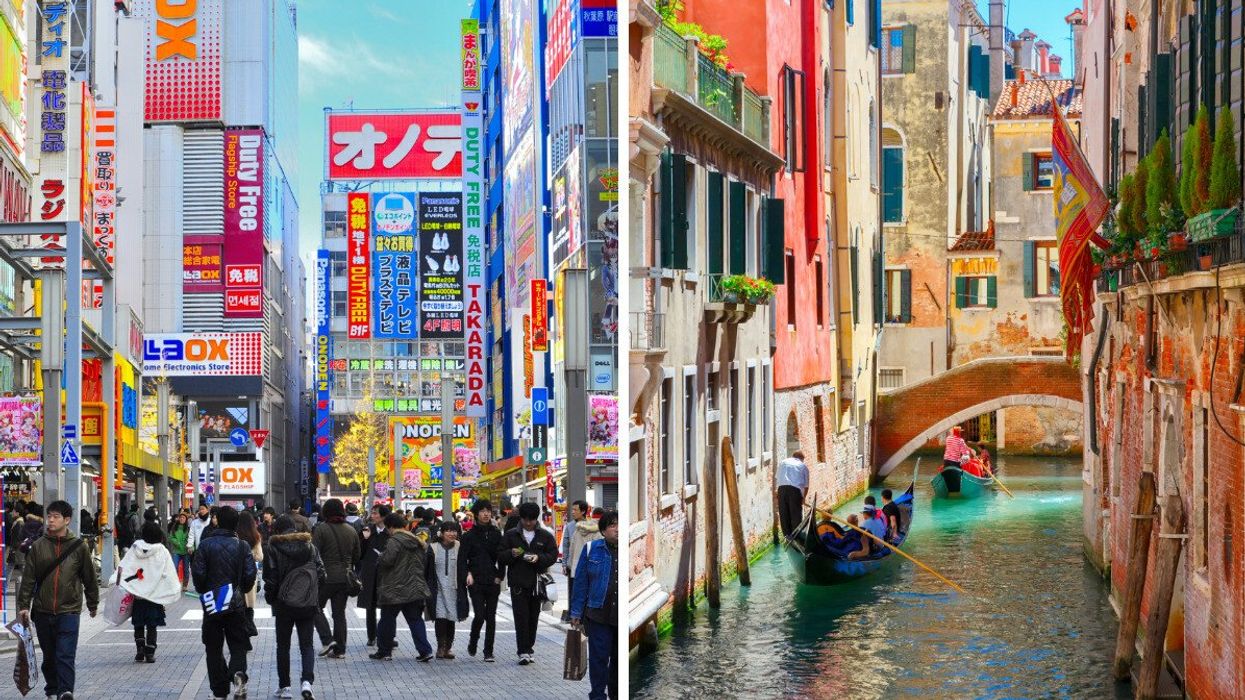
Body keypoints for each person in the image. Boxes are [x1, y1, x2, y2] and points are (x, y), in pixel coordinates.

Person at [17, 500, 99, 700]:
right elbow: (28, 578)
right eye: (49, 516)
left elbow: (89, 577)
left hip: (69, 611)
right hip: (43, 611)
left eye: (55, 517)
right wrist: (23, 606)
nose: (50, 520)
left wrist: (93, 603)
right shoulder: (38, 546)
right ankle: (52, 689)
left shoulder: (79, 547)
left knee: (65, 655)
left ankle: (65, 692)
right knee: (50, 657)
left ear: (67, 520)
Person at [191, 506, 258, 700]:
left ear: (217, 520)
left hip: (212, 604)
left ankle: (219, 692)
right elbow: (249, 574)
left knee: (213, 647)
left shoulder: (205, 545)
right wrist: (241, 590)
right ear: (236, 524)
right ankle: (238, 673)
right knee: (238, 644)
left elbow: (198, 573)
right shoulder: (242, 546)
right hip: (235, 604)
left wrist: (204, 591)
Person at [263, 515, 326, 700]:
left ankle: (285, 687)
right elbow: (322, 574)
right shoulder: (310, 546)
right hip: (307, 603)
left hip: (283, 605)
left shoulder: (273, 548)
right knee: (307, 645)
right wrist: (312, 594)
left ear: (277, 530)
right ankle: (307, 682)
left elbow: (270, 579)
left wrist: (271, 598)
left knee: (283, 646)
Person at [498, 501, 558, 666]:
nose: (528, 523)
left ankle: (529, 647)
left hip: (537, 583)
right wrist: (512, 553)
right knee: (520, 617)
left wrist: (539, 559)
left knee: (533, 617)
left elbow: (553, 555)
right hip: (518, 582)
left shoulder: (545, 535)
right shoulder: (511, 535)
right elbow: (501, 555)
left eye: (531, 520)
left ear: (536, 519)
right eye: (525, 519)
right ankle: (523, 651)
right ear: (521, 518)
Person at [370, 512, 435, 662]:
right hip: (414, 587)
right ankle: (425, 651)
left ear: (391, 527)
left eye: (388, 528)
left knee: (387, 619)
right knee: (415, 620)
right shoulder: (417, 541)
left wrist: (380, 557)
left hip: (395, 588)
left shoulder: (395, 541)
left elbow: (388, 561)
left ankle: (384, 651)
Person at [570, 510, 619, 700]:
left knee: (617, 661)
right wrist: (576, 612)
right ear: (604, 530)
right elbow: (581, 583)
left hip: (620, 615)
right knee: (599, 659)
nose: (617, 529)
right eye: (612, 525)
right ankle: (597, 695)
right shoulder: (592, 549)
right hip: (597, 614)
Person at [119, 522, 181, 664]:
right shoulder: (162, 551)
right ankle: (150, 652)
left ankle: (140, 649)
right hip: (155, 596)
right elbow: (168, 573)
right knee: (152, 625)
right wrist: (170, 591)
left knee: (138, 623)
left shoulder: (134, 549)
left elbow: (125, 567)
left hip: (138, 595)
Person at [311, 498, 359, 659]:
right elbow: (357, 555)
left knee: (315, 607)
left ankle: (327, 639)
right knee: (339, 614)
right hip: (345, 578)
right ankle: (340, 650)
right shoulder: (351, 530)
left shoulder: (321, 529)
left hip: (326, 578)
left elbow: (314, 553)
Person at [460, 499, 504, 662]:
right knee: (479, 615)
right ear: (476, 514)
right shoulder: (469, 536)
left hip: (493, 580)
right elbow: (462, 559)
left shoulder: (495, 533)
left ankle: (488, 651)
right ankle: (473, 639)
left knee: (491, 617)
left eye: (488, 511)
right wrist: (467, 574)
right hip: (476, 580)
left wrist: (500, 575)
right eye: (482, 511)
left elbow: (502, 556)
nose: (486, 514)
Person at [429, 520, 468, 659]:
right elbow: (427, 569)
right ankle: (441, 646)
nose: (452, 534)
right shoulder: (433, 547)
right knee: (440, 618)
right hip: (438, 589)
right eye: (448, 531)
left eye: (454, 531)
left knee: (451, 618)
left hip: (454, 588)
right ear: (442, 532)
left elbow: (465, 565)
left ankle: (448, 647)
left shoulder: (459, 546)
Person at [358, 504, 392, 647]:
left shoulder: (391, 532)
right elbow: (360, 552)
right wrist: (363, 539)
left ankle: (389, 637)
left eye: (375, 513)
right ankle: (371, 636)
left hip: (387, 573)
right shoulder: (367, 531)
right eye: (372, 513)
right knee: (370, 605)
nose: (372, 516)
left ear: (383, 516)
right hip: (370, 572)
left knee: (388, 606)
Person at [561, 500, 590, 622]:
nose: (572, 512)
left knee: (587, 592)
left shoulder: (592, 526)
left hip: (588, 566)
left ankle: (585, 618)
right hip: (573, 566)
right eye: (572, 510)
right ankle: (575, 618)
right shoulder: (569, 526)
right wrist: (564, 563)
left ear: (583, 511)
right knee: (574, 593)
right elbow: (566, 545)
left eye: (575, 510)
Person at [237, 510, 264, 633]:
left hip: (236, 571)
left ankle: (243, 631)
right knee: (249, 603)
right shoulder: (256, 536)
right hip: (250, 571)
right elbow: (260, 557)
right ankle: (249, 627)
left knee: (238, 603)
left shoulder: (235, 535)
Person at [776, 450, 809, 537]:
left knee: (784, 514)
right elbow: (806, 486)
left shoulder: (783, 462)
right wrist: (803, 498)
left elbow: (777, 478)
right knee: (796, 515)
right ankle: (796, 537)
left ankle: (787, 536)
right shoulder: (803, 466)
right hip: (795, 491)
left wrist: (777, 493)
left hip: (781, 490)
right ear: (801, 459)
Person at [167, 513, 191, 591]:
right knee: (175, 567)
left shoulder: (188, 528)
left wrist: (191, 547)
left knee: (186, 569)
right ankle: (175, 584)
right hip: (176, 551)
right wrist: (177, 542)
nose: (182, 519)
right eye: (181, 517)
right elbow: (170, 537)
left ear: (186, 519)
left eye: (183, 518)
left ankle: (184, 586)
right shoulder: (174, 527)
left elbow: (191, 538)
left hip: (185, 551)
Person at [187, 504, 212, 572]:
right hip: (199, 550)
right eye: (200, 509)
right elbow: (191, 535)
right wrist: (190, 546)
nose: (201, 511)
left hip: (210, 550)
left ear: (207, 510)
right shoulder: (194, 522)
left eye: (203, 509)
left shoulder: (211, 521)